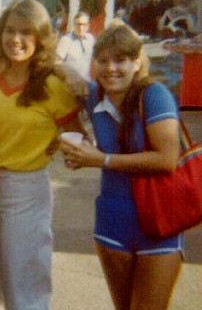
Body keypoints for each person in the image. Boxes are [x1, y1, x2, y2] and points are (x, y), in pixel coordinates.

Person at [0, 0, 86, 310]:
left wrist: (61, 145)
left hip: (28, 190)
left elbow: (78, 137)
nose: (16, 39)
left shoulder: (52, 86)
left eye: (26, 32)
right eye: (9, 30)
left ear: (40, 38)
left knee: (26, 278)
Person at [59, 24, 183, 310]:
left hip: (158, 222)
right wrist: (69, 72)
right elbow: (52, 67)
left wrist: (100, 159)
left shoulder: (154, 94)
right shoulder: (93, 96)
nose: (110, 68)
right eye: (102, 60)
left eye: (120, 60)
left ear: (137, 62)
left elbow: (167, 159)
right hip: (112, 223)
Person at [54, 11, 95, 97]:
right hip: (71, 87)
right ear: (74, 25)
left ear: (88, 26)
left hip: (86, 85)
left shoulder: (90, 39)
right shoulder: (66, 40)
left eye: (84, 24)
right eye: (78, 24)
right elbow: (56, 64)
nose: (81, 28)